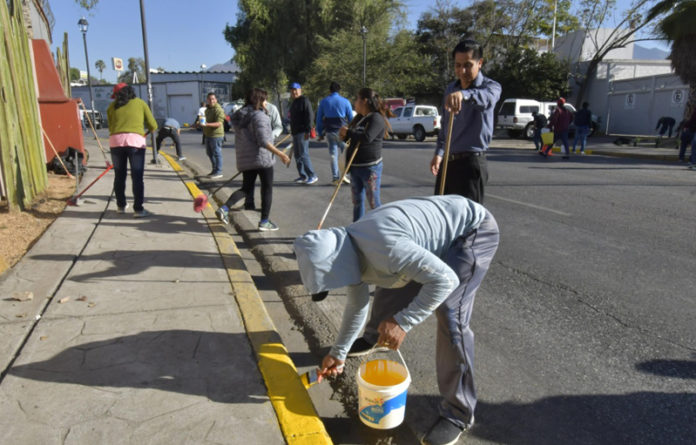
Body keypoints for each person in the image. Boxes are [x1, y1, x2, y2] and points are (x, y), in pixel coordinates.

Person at [293, 195, 499, 445]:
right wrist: (339, 352)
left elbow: (445, 280)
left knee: (449, 311)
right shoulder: (347, 250)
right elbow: (357, 305)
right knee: (387, 286)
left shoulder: (387, 249)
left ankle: (459, 412)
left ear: (339, 265)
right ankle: (373, 338)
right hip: (413, 244)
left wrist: (403, 321)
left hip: (471, 232)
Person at [431, 39, 501, 204]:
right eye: (457, 65)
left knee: (467, 222)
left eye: (468, 65)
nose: (462, 71)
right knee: (440, 216)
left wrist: (465, 95)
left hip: (471, 164)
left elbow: (487, 99)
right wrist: (439, 153)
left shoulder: (491, 87)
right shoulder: (451, 89)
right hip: (448, 163)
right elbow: (445, 126)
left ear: (480, 63)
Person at [215, 88, 291, 231]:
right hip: (262, 159)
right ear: (259, 100)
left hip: (246, 159)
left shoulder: (240, 116)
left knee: (246, 188)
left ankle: (225, 208)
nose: (266, 103)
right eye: (265, 99)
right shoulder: (259, 116)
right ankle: (264, 221)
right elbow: (263, 141)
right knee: (267, 189)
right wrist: (280, 154)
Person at [106, 82, 158, 217]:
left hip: (116, 142)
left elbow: (111, 128)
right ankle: (138, 209)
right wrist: (144, 133)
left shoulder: (111, 107)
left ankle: (121, 206)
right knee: (137, 177)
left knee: (119, 176)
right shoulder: (140, 103)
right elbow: (153, 125)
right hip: (135, 143)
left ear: (117, 95)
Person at [339, 88, 390, 221]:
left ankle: (382, 227)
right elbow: (354, 140)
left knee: (374, 203)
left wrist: (349, 133)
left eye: (357, 99)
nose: (354, 102)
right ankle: (356, 229)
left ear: (365, 101)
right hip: (355, 166)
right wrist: (344, 136)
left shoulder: (376, 119)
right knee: (357, 202)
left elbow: (367, 138)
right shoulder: (360, 119)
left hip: (370, 168)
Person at [316, 81, 354, 184]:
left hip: (329, 131)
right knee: (345, 154)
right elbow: (351, 118)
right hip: (342, 132)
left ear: (330, 90)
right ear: (339, 90)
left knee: (333, 155)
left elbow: (319, 119)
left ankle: (335, 178)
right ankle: (345, 175)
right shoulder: (345, 101)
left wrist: (319, 133)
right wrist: (352, 132)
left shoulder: (324, 102)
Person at [288, 82, 318, 184]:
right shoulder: (294, 102)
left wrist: (308, 130)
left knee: (304, 154)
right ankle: (303, 175)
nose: (294, 92)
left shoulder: (304, 101)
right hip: (295, 132)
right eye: (292, 90)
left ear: (300, 90)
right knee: (297, 155)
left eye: (295, 89)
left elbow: (310, 116)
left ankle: (312, 175)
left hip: (303, 131)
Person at [201, 92, 225, 179]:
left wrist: (206, 124)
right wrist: (199, 123)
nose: (211, 101)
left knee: (217, 153)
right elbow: (205, 121)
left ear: (216, 100)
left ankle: (218, 172)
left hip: (216, 135)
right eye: (209, 99)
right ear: (207, 100)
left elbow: (219, 123)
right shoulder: (207, 110)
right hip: (208, 135)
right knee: (209, 153)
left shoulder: (218, 109)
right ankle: (214, 170)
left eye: (213, 99)